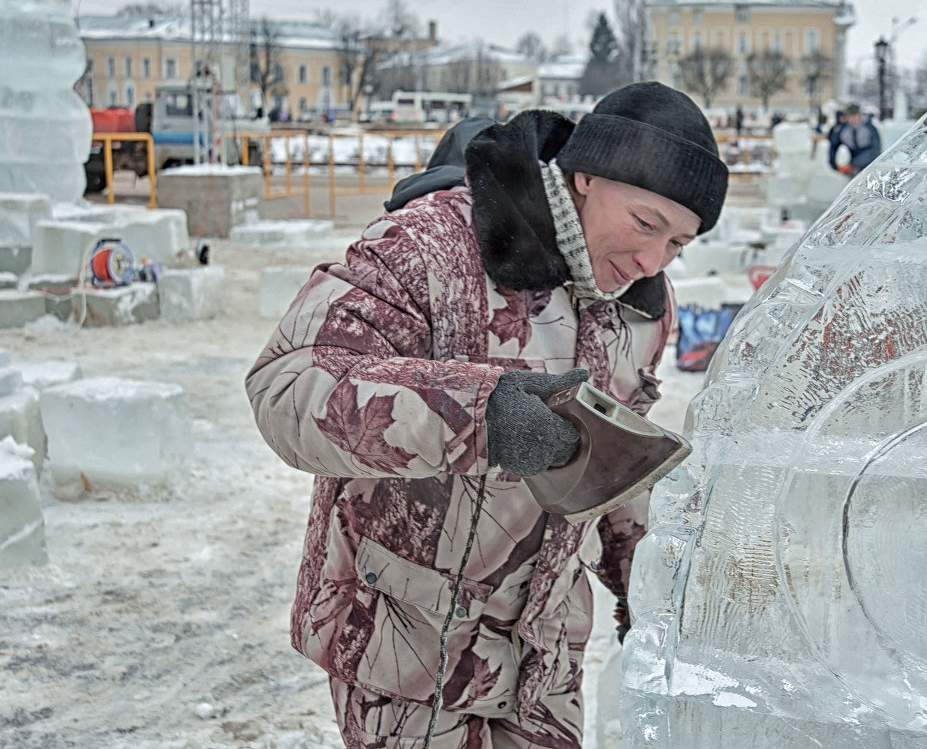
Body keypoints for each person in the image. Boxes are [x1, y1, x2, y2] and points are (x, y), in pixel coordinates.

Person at [245, 81, 728, 749]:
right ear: (586, 176)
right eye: (646, 224)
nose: (654, 260)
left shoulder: (641, 306)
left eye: (678, 243)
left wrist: (642, 588)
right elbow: (287, 383)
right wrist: (482, 414)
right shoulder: (433, 245)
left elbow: (617, 466)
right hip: (406, 657)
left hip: (543, 665)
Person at [827, 103, 882, 177]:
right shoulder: (843, 130)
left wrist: (854, 164)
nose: (853, 119)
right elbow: (833, 145)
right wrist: (833, 163)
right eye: (850, 117)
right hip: (853, 163)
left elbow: (875, 150)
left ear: (859, 115)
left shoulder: (869, 128)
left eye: (855, 116)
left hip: (869, 164)